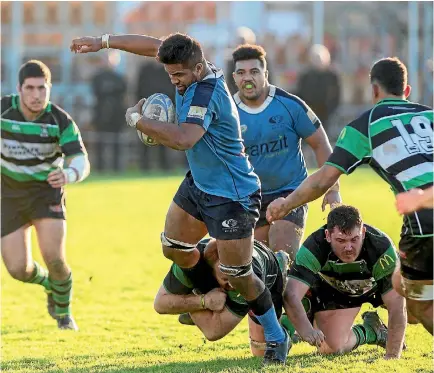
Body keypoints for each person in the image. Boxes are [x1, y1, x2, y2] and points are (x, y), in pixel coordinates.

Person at [70, 33, 291, 364]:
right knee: (173, 247)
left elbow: (185, 139)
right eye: (170, 74)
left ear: (198, 68)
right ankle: (206, 294)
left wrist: (139, 120)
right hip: (199, 185)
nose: (174, 81)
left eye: (179, 75)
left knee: (239, 274)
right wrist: (103, 42)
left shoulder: (206, 91)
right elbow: (153, 46)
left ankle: (276, 335)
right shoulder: (190, 64)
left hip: (233, 196)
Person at [266, 57, 433, 334]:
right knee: (408, 294)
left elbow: (324, 180)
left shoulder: (366, 124)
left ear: (374, 91)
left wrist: (287, 204)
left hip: (423, 225)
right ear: (407, 91)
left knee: (417, 307)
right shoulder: (430, 116)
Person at [1, 60, 90, 330]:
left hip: (45, 192)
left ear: (49, 88)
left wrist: (68, 174)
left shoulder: (59, 120)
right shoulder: (4, 110)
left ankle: (64, 315)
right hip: (8, 194)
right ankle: (49, 284)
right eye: (30, 88)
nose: (37, 95)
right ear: (19, 89)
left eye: (42, 88)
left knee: (54, 257)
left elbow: (81, 160)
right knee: (18, 270)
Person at [231, 44, 341, 259]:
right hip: (249, 200)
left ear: (266, 74)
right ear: (234, 77)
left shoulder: (289, 105)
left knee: (282, 256)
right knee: (256, 267)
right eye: (241, 73)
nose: (247, 78)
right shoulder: (227, 113)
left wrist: (332, 188)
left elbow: (320, 144)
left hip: (290, 194)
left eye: (254, 71)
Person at [284, 205, 406, 359]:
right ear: (328, 235)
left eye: (354, 239)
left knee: (414, 311)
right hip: (336, 291)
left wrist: (392, 355)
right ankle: (372, 331)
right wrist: (306, 330)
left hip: (373, 288)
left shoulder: (381, 247)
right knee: (331, 347)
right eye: (341, 240)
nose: (349, 247)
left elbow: (397, 305)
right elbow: (291, 293)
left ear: (363, 232)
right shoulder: (314, 246)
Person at [155, 238, 293, 357]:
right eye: (225, 278)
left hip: (268, 278)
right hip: (213, 278)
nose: (232, 284)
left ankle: (281, 266)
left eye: (232, 277)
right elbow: (160, 304)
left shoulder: (242, 278)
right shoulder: (189, 263)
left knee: (261, 352)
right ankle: (207, 308)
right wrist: (204, 301)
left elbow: (213, 331)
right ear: (211, 265)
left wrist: (192, 297)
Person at [91, 52, 127, 172]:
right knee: (100, 141)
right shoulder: (97, 77)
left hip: (116, 114)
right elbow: (97, 92)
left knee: (116, 142)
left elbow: (122, 93)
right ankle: (100, 168)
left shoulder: (120, 78)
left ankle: (116, 168)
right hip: (101, 113)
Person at [295, 44, 341, 136]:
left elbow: (336, 95)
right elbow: (300, 94)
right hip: (309, 113)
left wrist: (330, 109)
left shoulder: (332, 76)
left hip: (326, 113)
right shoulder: (306, 76)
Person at [224, 27, 274, 96]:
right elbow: (229, 83)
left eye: (244, 42)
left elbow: (269, 81)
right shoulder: (231, 62)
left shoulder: (262, 59)